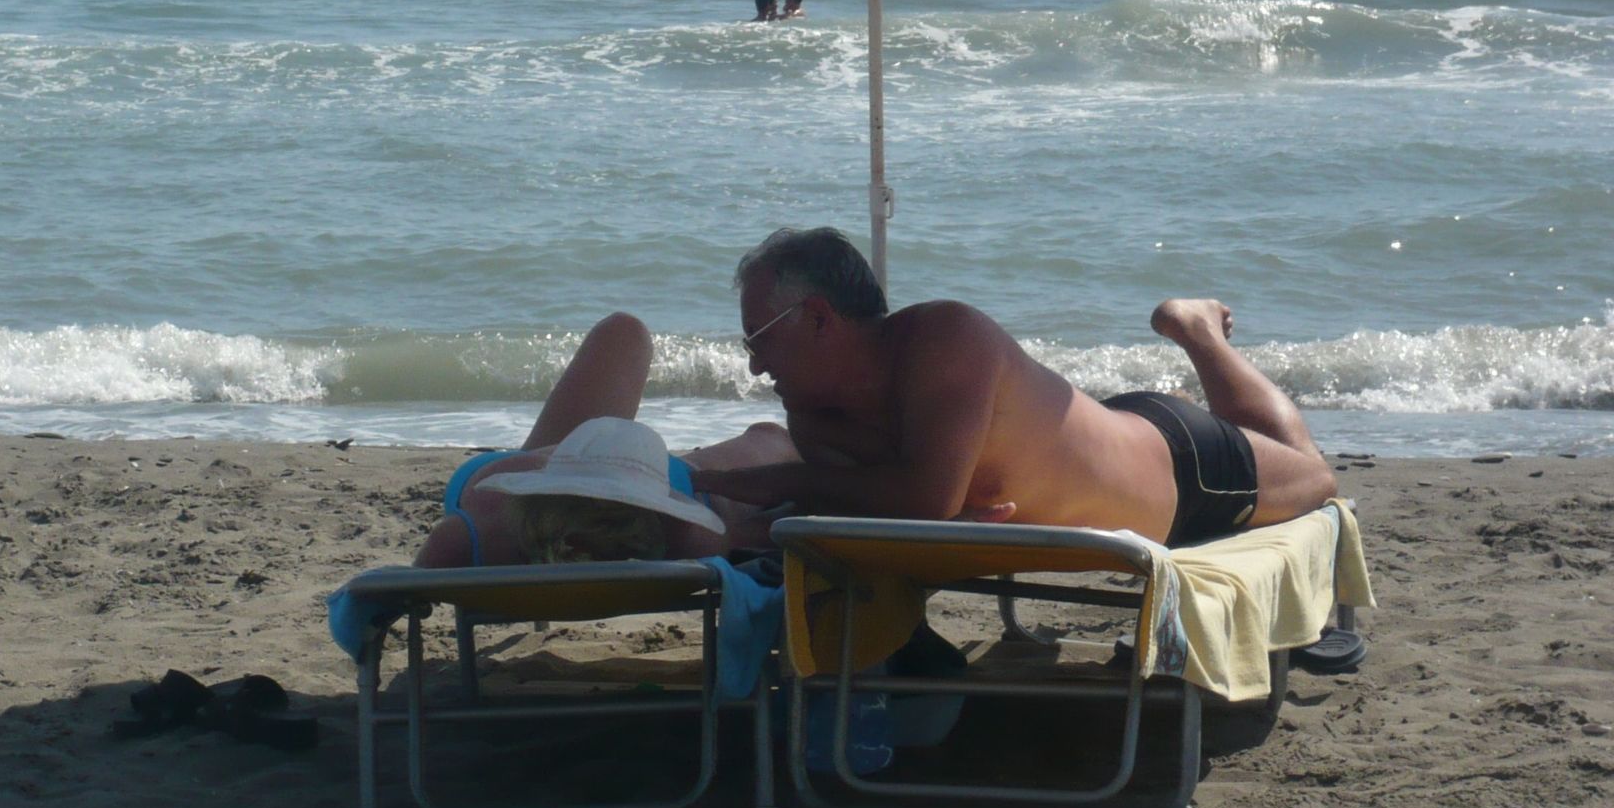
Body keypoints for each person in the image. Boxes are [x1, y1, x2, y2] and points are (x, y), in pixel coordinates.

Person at [689, 228, 1338, 547]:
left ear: (819, 318)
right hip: (1097, 440)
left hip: (1182, 466)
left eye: (759, 339)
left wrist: (786, 481)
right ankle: (1200, 337)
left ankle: (1200, 335)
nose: (754, 367)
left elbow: (924, 500)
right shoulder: (814, 417)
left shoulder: (945, 340)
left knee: (1315, 480)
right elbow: (886, 516)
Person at [415, 312, 796, 568]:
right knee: (774, 441)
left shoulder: (480, 534)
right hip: (654, 477)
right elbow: (765, 534)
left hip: (556, 475)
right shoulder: (689, 536)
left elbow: (381, 596)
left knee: (625, 331)